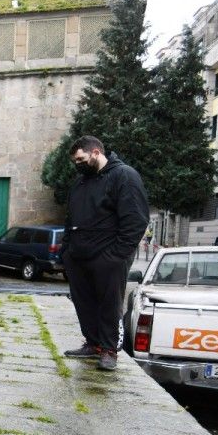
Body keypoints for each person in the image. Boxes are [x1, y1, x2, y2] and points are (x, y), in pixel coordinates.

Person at [60, 135, 149, 371]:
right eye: (74, 161)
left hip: (108, 257)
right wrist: (65, 252)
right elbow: (70, 219)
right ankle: (93, 343)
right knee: (84, 302)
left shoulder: (124, 176)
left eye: (81, 159)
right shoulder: (80, 183)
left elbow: (136, 221)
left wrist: (115, 256)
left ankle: (109, 350)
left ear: (96, 152)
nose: (77, 164)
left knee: (109, 305)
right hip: (78, 256)